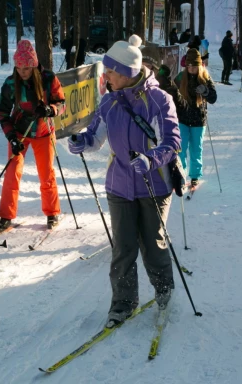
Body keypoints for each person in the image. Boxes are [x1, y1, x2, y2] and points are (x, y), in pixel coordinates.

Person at [67, 35, 182, 325]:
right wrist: (81, 142)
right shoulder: (109, 102)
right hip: (119, 184)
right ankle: (122, 303)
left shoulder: (159, 100)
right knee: (123, 248)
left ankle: (164, 291)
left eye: (110, 72)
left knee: (153, 244)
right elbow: (96, 137)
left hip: (153, 184)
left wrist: (150, 159)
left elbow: (172, 142)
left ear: (127, 73)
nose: (105, 76)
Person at [0, 40, 66, 231]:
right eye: (19, 68)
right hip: (20, 132)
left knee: (46, 173)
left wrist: (50, 110)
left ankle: (52, 213)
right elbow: (2, 112)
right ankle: (5, 216)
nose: (22, 72)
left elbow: (61, 103)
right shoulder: (11, 83)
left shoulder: (48, 78)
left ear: (33, 65)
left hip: (43, 131)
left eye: (26, 68)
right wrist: (11, 136)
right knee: (12, 172)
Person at [173, 49, 217, 186]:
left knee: (196, 149)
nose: (191, 68)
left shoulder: (205, 78)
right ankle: (181, 174)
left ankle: (195, 176)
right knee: (180, 149)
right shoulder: (180, 77)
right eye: (189, 65)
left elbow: (213, 98)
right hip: (182, 119)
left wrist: (206, 92)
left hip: (198, 119)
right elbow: (171, 94)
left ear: (199, 65)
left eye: (194, 65)